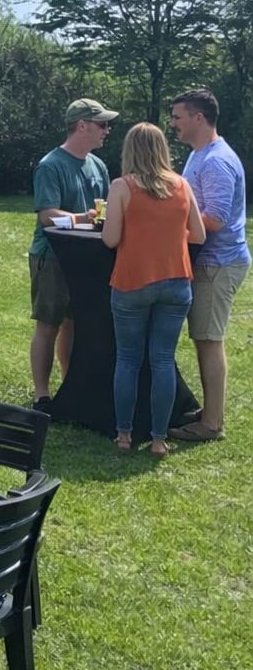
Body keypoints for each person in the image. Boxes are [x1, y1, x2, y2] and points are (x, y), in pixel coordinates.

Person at [101, 123, 205, 457]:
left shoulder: (122, 186)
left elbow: (110, 239)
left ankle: (124, 435)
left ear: (129, 151)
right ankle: (159, 439)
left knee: (128, 359)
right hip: (176, 282)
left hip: (132, 282)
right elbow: (199, 235)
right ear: (163, 150)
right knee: (163, 359)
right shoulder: (182, 185)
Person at [168, 88, 250, 442]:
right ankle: (210, 410)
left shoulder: (215, 160)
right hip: (209, 261)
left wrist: (163, 227)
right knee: (203, 338)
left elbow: (213, 219)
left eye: (177, 117)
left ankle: (212, 423)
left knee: (208, 339)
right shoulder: (200, 154)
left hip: (218, 263)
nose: (173, 124)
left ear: (198, 118)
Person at [28, 98, 116, 410]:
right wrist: (85, 218)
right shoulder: (51, 165)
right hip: (52, 256)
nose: (107, 130)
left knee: (74, 324)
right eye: (102, 124)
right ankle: (42, 395)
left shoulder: (98, 165)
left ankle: (69, 385)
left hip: (87, 258)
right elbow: (47, 215)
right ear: (82, 126)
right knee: (49, 324)